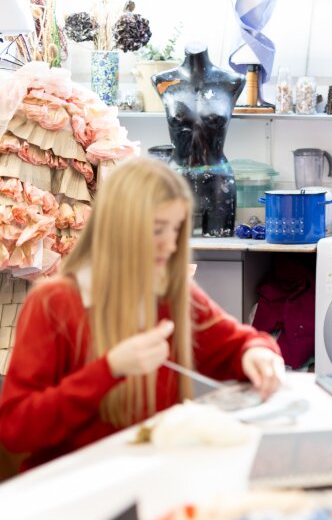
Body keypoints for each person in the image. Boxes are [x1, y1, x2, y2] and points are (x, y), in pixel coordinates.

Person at [0, 158, 283, 470]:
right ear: (119, 229)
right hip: (73, 483)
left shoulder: (171, 293)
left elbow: (236, 344)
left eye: (177, 229)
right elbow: (17, 429)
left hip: (150, 475)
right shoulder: (54, 303)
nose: (171, 245)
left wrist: (258, 353)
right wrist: (109, 369)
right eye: (158, 230)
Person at [154, 43, 245, 237]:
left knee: (221, 249)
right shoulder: (162, 80)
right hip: (176, 178)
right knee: (172, 247)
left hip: (218, 180)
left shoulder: (233, 81)